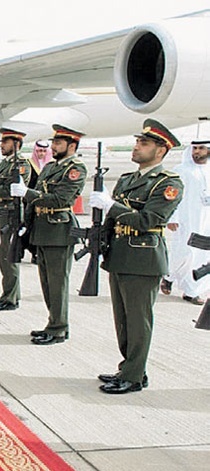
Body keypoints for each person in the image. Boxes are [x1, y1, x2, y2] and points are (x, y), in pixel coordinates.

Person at [92, 118, 183, 394]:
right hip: (120, 255)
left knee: (138, 321)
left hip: (144, 259)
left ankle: (133, 376)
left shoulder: (168, 184)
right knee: (123, 320)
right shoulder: (127, 179)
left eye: (144, 143)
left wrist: (112, 206)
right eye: (137, 142)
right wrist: (98, 241)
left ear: (160, 150)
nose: (136, 147)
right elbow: (112, 219)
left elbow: (149, 219)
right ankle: (130, 368)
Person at [11, 125, 87, 345]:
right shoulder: (51, 167)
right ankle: (53, 323)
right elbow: (39, 198)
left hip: (59, 230)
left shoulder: (75, 169)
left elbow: (60, 199)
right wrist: (27, 224)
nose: (54, 147)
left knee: (57, 283)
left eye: (58, 143)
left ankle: (59, 328)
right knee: (47, 282)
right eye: (54, 143)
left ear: (72, 145)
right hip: (43, 229)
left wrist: (28, 193)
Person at [0, 127, 31, 311]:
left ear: (16, 144)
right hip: (0, 211)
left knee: (8, 256)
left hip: (10, 212)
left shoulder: (21, 164)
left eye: (5, 142)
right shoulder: (6, 164)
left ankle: (10, 298)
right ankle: (9, 294)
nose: (2, 145)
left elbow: (11, 190)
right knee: (3, 257)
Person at [162, 137, 210, 304]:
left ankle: (192, 291)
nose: (197, 152)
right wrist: (172, 217)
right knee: (185, 253)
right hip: (186, 219)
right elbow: (172, 196)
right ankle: (169, 276)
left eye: (201, 148)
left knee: (203, 255)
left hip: (207, 219)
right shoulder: (182, 170)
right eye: (195, 149)